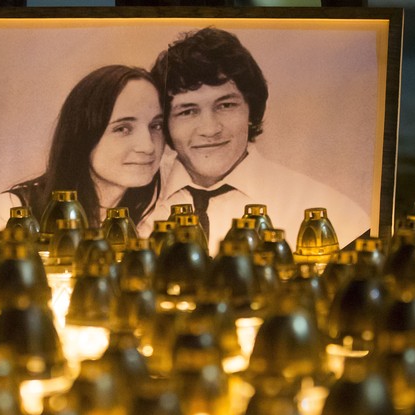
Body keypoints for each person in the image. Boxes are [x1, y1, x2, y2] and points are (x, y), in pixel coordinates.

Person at [140, 27, 370, 256]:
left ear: (252, 111)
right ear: (165, 123)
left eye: (226, 105)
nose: (210, 129)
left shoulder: (336, 215)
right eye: (187, 111)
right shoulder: (130, 204)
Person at [0, 65, 165, 240]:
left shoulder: (158, 216)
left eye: (156, 125)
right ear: (83, 134)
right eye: (123, 129)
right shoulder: (8, 213)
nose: (148, 146)